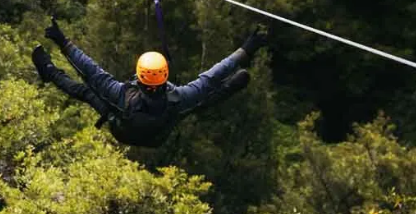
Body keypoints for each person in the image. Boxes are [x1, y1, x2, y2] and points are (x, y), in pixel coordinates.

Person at [31, 18, 267, 147]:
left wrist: (63, 42)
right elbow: (212, 76)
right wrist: (247, 49)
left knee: (85, 91)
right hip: (158, 137)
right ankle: (232, 87)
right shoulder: (179, 98)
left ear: (139, 77)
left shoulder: (123, 96)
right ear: (165, 76)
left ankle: (49, 71)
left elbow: (91, 72)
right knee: (199, 101)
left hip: (122, 130)